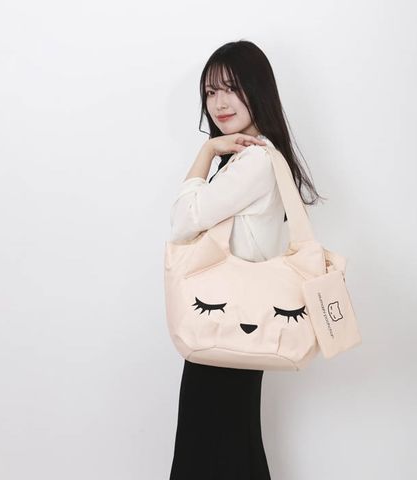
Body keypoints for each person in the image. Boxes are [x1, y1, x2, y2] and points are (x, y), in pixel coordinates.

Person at [168, 40, 325, 480]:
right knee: (233, 446)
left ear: (257, 90)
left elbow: (183, 222)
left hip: (224, 321)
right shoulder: (256, 156)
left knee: (210, 450)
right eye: (210, 92)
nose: (219, 103)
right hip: (240, 320)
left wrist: (205, 153)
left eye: (232, 89)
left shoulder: (254, 160)